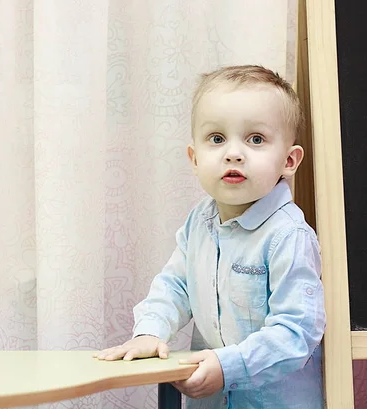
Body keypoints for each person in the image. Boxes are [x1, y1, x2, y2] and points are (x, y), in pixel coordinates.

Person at [94, 65, 326, 409]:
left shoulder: (288, 236)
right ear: (194, 158)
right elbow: (175, 285)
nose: (233, 153)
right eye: (217, 139)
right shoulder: (199, 222)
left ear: (289, 160)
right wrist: (151, 331)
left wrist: (227, 365)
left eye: (256, 139)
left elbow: (297, 331)